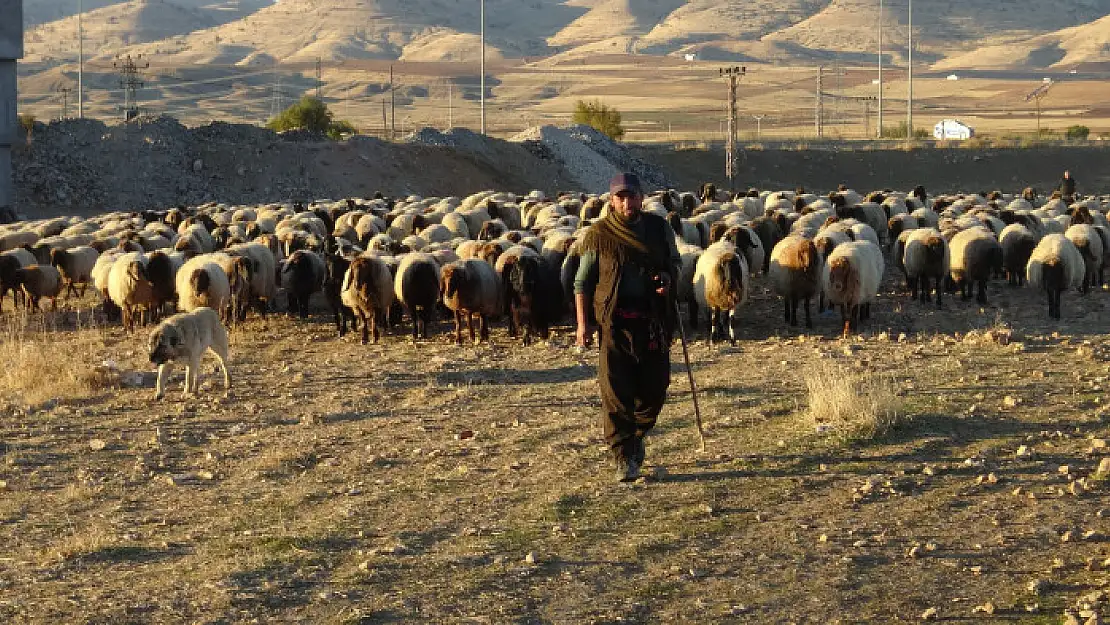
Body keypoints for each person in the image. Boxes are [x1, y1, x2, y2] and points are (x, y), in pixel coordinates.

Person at [574, 173, 681, 482]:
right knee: (615, 393)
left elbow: (675, 263)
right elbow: (582, 282)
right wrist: (583, 324)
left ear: (641, 197)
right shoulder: (599, 235)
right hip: (614, 323)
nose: (626, 202)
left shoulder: (659, 229)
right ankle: (623, 455)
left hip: (652, 322)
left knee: (655, 390)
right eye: (620, 197)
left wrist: (669, 278)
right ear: (612, 201)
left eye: (631, 196)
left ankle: (637, 435)